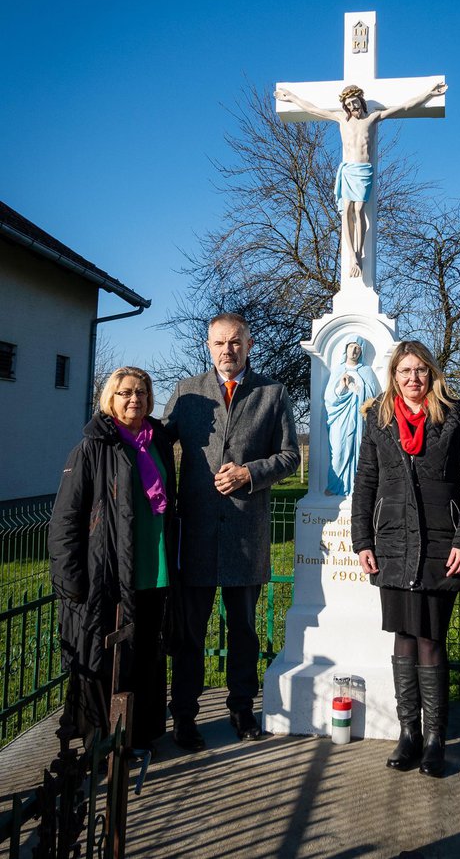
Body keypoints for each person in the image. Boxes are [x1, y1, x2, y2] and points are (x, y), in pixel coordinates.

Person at [162, 312, 299, 750]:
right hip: (197, 534)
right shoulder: (187, 394)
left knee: (243, 630)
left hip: (245, 533)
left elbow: (290, 456)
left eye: (235, 342)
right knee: (190, 633)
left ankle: (242, 709)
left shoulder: (273, 394)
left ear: (249, 344)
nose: (228, 350)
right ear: (208, 346)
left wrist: (249, 473)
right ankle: (184, 715)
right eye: (220, 343)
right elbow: (158, 443)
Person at [351, 340, 460, 776]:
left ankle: (435, 738)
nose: (413, 379)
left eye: (420, 371)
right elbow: (365, 480)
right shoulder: (379, 417)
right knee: (403, 635)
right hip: (392, 540)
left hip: (440, 541)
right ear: (394, 376)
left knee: (430, 637)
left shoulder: (456, 417)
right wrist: (361, 540)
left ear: (432, 374)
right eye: (405, 371)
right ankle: (408, 732)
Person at [49, 367, 178, 752]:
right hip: (107, 575)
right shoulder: (93, 447)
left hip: (154, 572)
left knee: (146, 659)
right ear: (111, 398)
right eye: (124, 393)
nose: (134, 399)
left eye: (141, 392)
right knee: (108, 660)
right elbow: (66, 519)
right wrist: (69, 578)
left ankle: (140, 735)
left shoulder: (159, 443)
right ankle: (105, 743)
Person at [274, 82, 446, 278]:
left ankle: (359, 249)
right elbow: (313, 109)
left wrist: (428, 93)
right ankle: (353, 256)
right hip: (348, 170)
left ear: (361, 101)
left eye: (355, 102)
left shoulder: (372, 118)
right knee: (346, 210)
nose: (352, 107)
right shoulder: (341, 119)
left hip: (363, 170)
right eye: (348, 104)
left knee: (359, 210)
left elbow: (405, 106)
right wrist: (292, 98)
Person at [324, 335, 379, 496]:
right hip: (340, 419)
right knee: (338, 451)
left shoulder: (366, 371)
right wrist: (342, 386)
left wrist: (356, 388)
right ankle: (335, 486)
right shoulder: (338, 370)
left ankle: (358, 487)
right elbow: (330, 398)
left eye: (357, 348)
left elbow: (373, 396)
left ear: (361, 351)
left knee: (360, 450)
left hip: (360, 419)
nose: (353, 351)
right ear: (345, 349)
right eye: (351, 347)